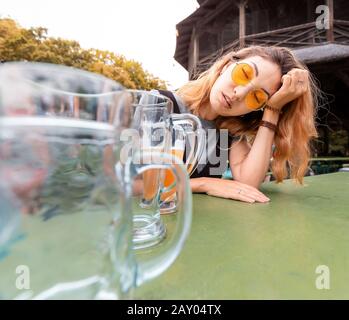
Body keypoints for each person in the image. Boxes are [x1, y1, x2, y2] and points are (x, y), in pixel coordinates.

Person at [157, 45, 319, 204]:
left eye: (257, 98)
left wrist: (273, 109)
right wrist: (204, 183)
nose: (239, 94)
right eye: (243, 73)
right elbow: (136, 185)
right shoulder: (158, 105)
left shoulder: (229, 132)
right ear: (226, 66)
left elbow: (248, 184)